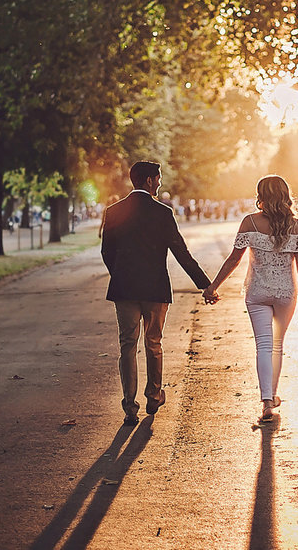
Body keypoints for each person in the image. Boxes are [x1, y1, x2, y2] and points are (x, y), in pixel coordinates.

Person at [101, 161, 212, 426]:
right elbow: (180, 252)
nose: (160, 183)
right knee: (154, 343)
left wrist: (120, 274)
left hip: (125, 289)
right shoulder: (162, 213)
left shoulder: (113, 211)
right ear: (149, 180)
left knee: (127, 345)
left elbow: (107, 252)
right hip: (155, 290)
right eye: (158, 178)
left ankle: (129, 405)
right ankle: (153, 394)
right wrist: (204, 283)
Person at [203, 175, 298, 422]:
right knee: (277, 346)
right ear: (285, 194)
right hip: (285, 293)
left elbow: (234, 259)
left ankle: (266, 403)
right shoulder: (296, 225)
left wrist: (213, 286)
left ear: (260, 195)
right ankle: (272, 395)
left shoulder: (249, 222)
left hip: (257, 293)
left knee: (263, 345)